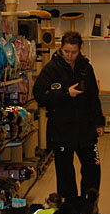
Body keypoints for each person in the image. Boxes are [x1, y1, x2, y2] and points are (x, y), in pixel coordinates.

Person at [33, 31, 105, 201]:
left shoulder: (86, 68)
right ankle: (70, 210)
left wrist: (99, 122)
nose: (70, 56)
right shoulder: (51, 68)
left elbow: (94, 97)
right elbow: (40, 95)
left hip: (86, 129)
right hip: (61, 130)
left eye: (74, 52)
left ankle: (89, 208)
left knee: (92, 170)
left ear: (80, 49)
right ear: (61, 49)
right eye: (66, 51)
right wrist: (66, 93)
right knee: (65, 174)